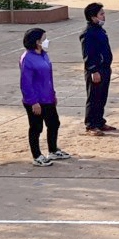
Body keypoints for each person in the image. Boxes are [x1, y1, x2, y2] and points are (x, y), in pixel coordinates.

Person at [20, 28, 70, 166]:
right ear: (37, 41)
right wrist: (33, 102)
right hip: (36, 100)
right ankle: (37, 155)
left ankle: (53, 150)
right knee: (36, 128)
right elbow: (26, 83)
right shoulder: (27, 59)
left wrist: (53, 94)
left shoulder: (44, 55)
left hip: (47, 98)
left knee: (54, 123)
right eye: (44, 38)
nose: (46, 41)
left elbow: (49, 77)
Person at [80, 2, 115, 137]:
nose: (104, 16)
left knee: (102, 96)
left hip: (105, 68)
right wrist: (93, 70)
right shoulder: (88, 33)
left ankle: (100, 121)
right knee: (94, 97)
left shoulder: (100, 30)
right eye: (101, 14)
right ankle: (91, 125)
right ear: (93, 17)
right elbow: (88, 54)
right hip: (95, 70)